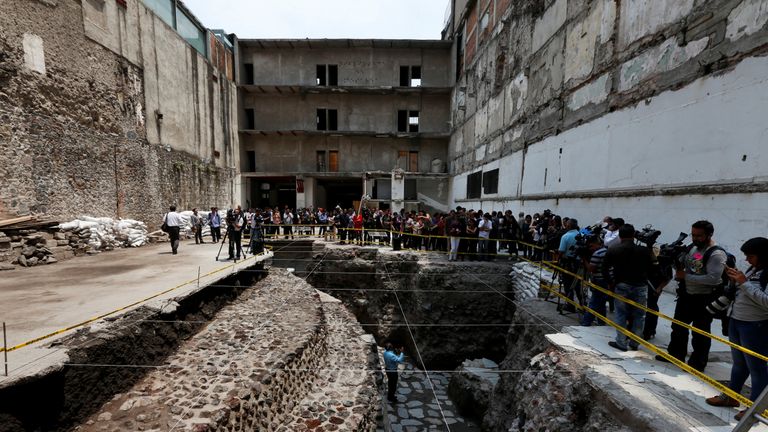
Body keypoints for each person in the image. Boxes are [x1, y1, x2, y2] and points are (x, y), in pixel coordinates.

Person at [705, 237, 768, 421]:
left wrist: (744, 282)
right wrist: (735, 281)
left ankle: (755, 409)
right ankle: (731, 396)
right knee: (739, 363)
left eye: (751, 256)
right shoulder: (753, 269)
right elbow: (742, 293)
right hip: (737, 321)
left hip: (755, 326)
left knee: (757, 368)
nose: (747, 259)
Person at [658, 220, 727, 371]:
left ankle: (698, 363)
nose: (695, 238)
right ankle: (675, 355)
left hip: (704, 298)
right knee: (678, 326)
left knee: (700, 331)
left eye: (699, 236)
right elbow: (692, 265)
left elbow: (713, 279)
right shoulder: (694, 248)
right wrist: (674, 258)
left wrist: (686, 277)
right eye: (693, 235)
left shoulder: (716, 254)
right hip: (686, 295)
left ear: (709, 235)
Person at [603, 224, 656, 351]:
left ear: (620, 236)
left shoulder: (614, 249)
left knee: (621, 314)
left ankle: (621, 342)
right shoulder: (644, 250)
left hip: (622, 285)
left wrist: (610, 283)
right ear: (633, 235)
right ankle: (635, 342)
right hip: (640, 286)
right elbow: (653, 267)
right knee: (639, 315)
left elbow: (604, 269)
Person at [580, 236, 609, 326]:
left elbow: (591, 269)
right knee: (601, 302)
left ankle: (586, 322)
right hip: (605, 280)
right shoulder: (606, 250)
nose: (590, 249)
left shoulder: (597, 253)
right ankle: (601, 322)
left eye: (591, 246)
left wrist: (584, 260)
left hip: (599, 280)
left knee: (594, 302)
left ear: (597, 243)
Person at [556, 218, 580, 312]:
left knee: (567, 284)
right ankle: (582, 304)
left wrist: (558, 260)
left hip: (567, 263)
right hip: (578, 264)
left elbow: (561, 251)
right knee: (578, 284)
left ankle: (570, 305)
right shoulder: (581, 235)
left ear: (568, 226)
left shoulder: (565, 236)